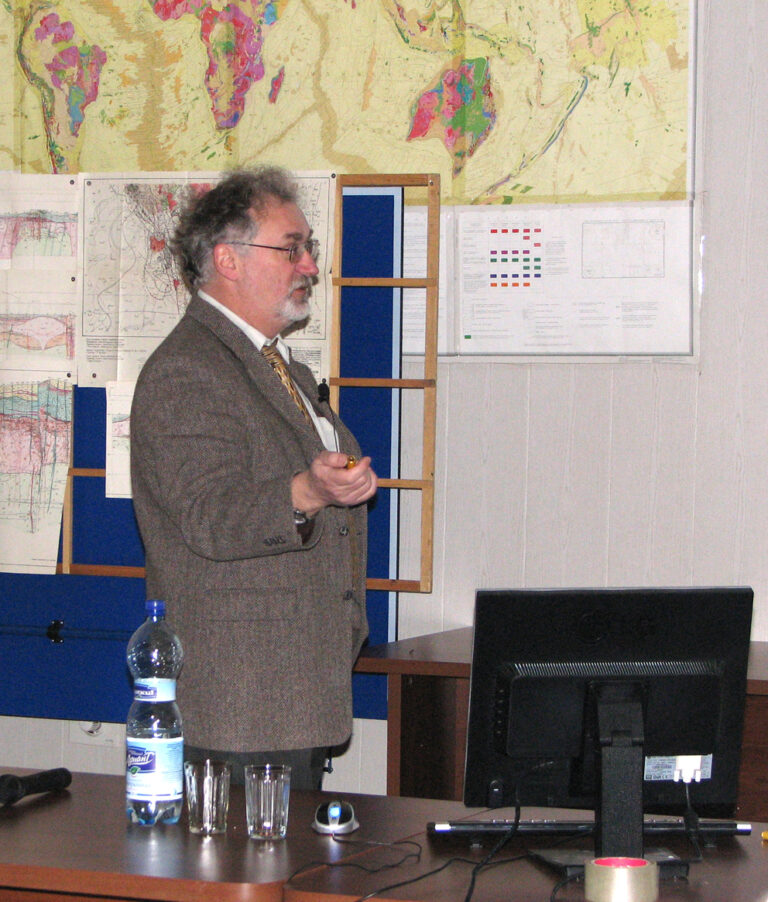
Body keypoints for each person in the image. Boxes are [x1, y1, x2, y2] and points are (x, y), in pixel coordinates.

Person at [130, 166, 377, 789]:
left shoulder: (277, 366)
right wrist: (308, 491)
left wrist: (333, 486)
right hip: (239, 706)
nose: (310, 266)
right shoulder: (186, 370)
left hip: (291, 694)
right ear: (228, 260)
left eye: (309, 248)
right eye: (291, 248)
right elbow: (208, 515)